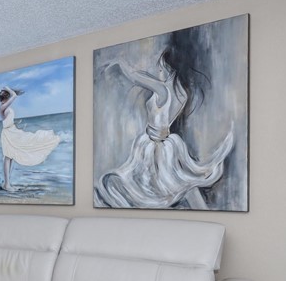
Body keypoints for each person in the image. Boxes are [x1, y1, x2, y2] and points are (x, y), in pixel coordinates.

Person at [94, 44, 233, 209]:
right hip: (167, 143)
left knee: (137, 186)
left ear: (169, 67)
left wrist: (118, 61)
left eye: (161, 65)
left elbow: (134, 77)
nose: (159, 69)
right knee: (170, 185)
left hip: (152, 145)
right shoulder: (182, 93)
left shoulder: (162, 90)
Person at [0, 85, 61, 191]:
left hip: (12, 131)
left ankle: (7, 183)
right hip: (8, 133)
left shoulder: (5, 107)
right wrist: (8, 89)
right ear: (5, 98)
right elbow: (14, 96)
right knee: (8, 157)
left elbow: (8, 119)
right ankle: (7, 184)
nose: (3, 100)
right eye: (4, 98)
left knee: (11, 156)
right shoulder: (2, 107)